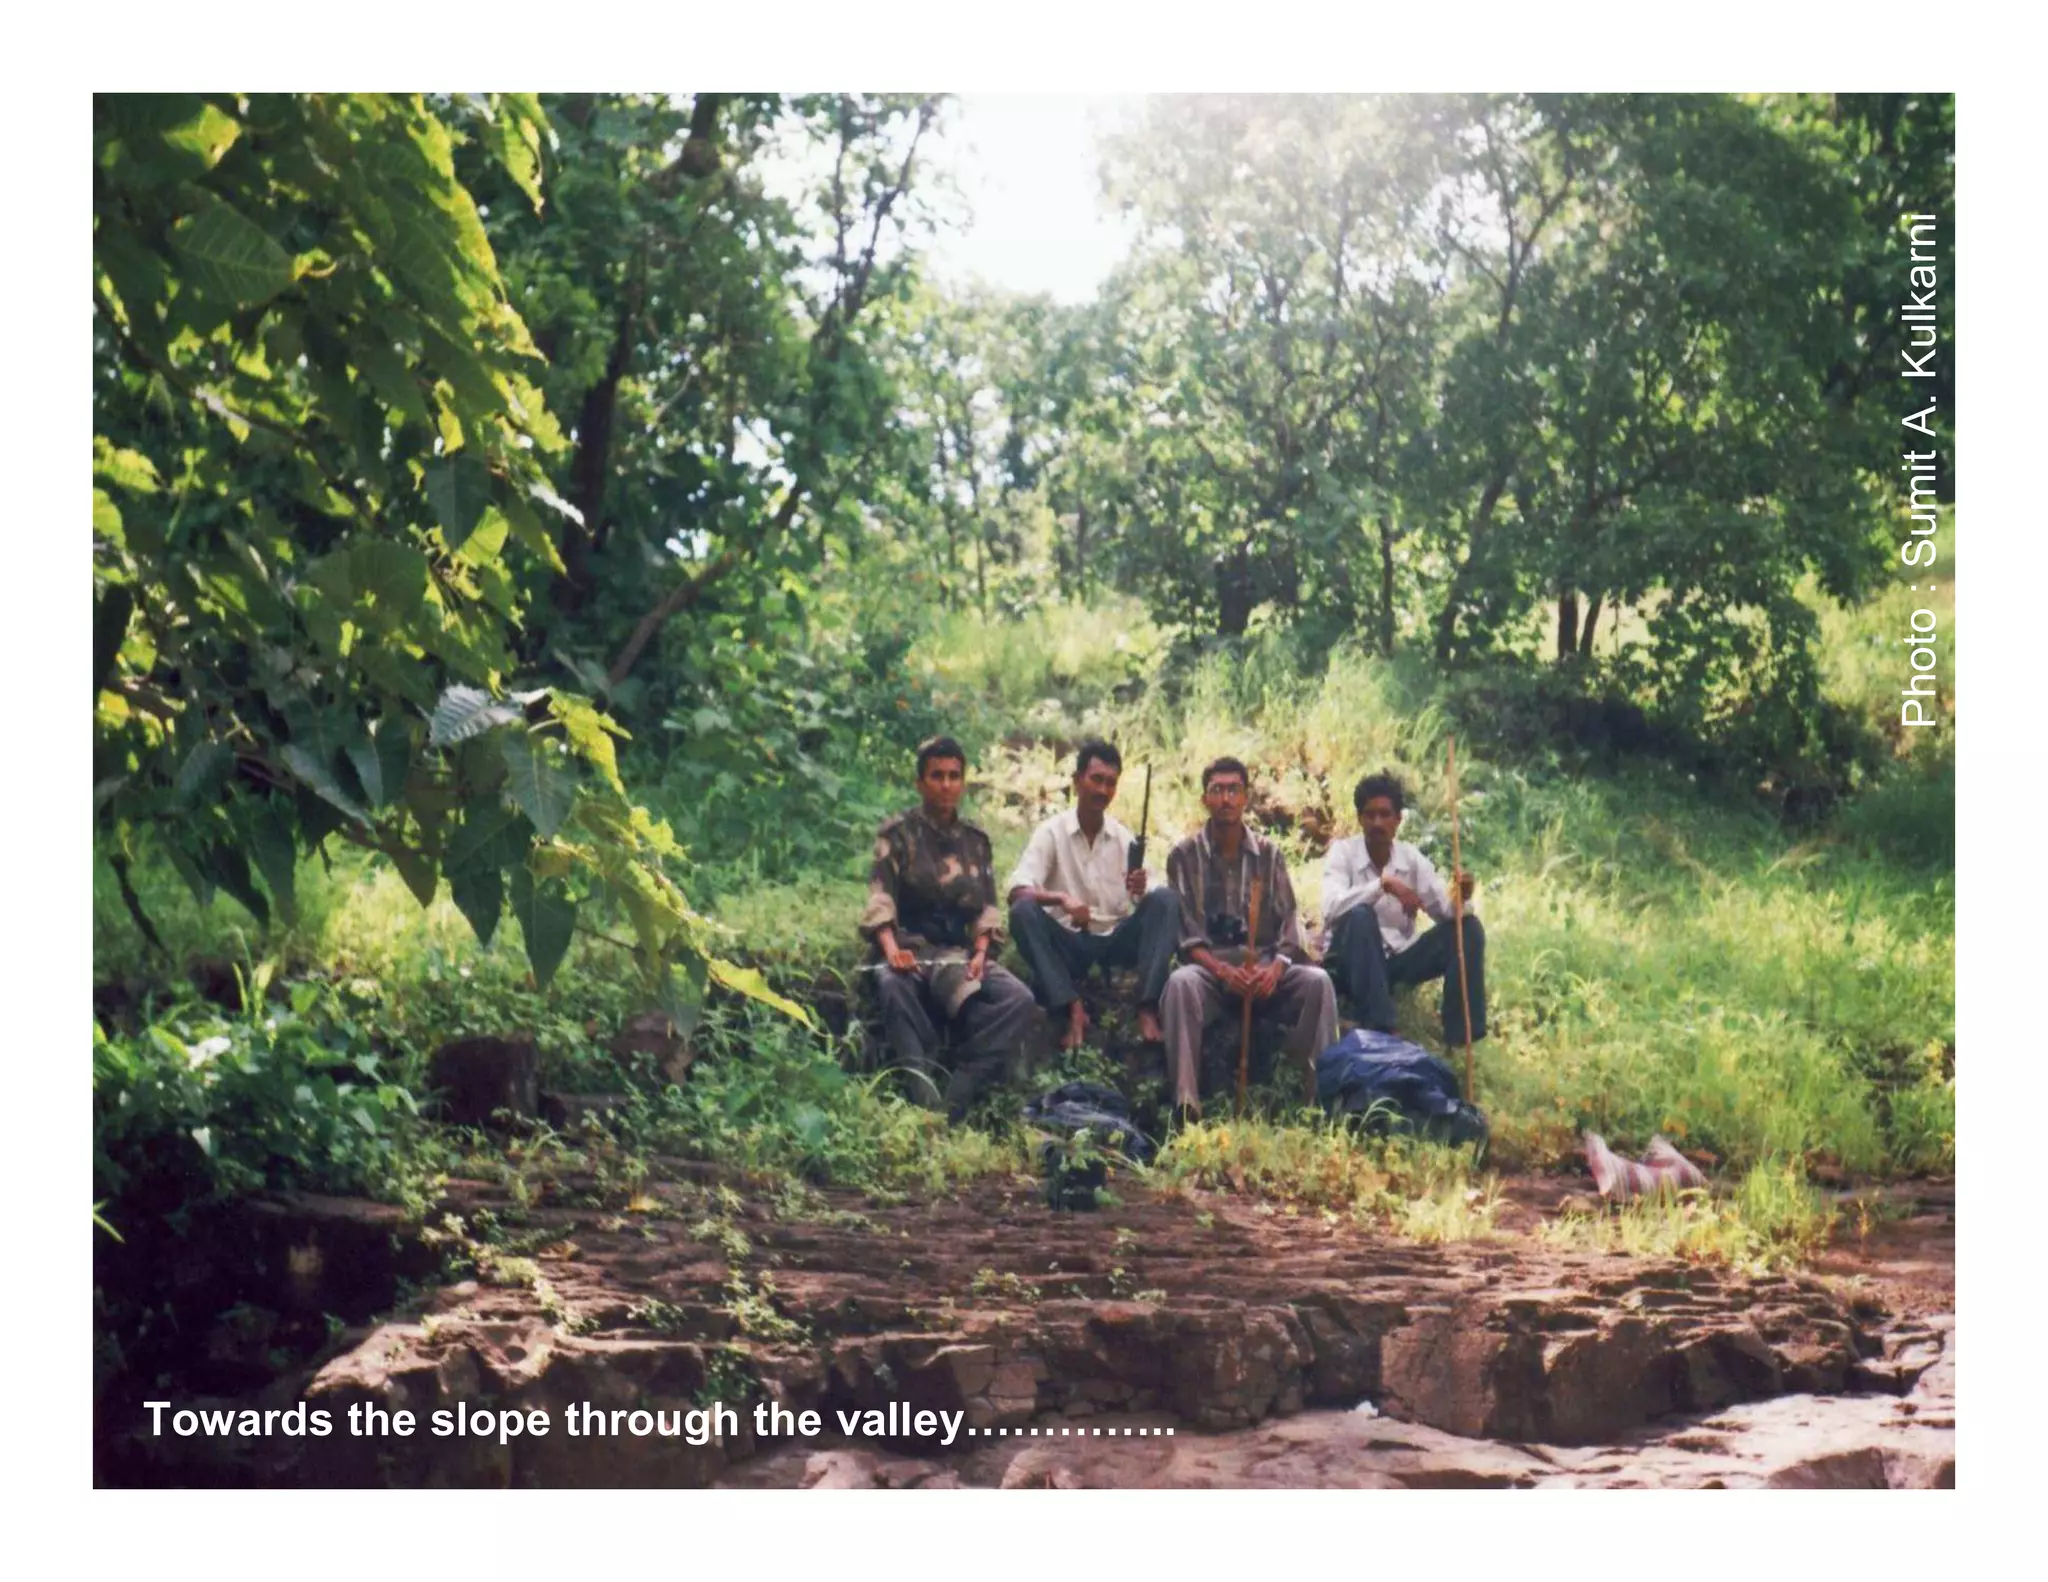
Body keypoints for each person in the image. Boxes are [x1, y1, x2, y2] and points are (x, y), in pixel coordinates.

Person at [859, 735, 1040, 1119]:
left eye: (954, 776)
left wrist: (979, 954)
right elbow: (881, 900)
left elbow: (987, 909)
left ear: (963, 781)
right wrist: (892, 951)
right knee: (893, 987)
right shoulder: (897, 834)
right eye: (936, 776)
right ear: (920, 783)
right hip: (909, 947)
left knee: (1018, 999)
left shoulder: (976, 841)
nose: (946, 785)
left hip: (957, 954)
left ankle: (958, 1092)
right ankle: (922, 1097)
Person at [1160, 757, 1337, 1118]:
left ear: (1246, 799)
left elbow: (1289, 925)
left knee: (1318, 982)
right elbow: (1188, 937)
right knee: (1179, 984)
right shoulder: (1183, 856)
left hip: (1265, 971)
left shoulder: (1269, 855)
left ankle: (1322, 1103)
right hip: (1211, 973)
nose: (1225, 798)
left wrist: (1273, 971)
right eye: (1217, 790)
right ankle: (1185, 1105)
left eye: (1233, 790)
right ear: (1205, 800)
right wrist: (1225, 973)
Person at [1006, 740, 1180, 1049]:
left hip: (1115, 939)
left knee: (1167, 900)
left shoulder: (1123, 837)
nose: (1102, 790)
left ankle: (1147, 1006)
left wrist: (1140, 890)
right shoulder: (1052, 832)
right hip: (1070, 941)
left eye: (1110, 783)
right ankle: (1071, 1005)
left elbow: (1153, 897)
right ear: (1077, 781)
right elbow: (1017, 890)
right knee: (1022, 913)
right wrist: (1061, 899)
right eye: (1096, 779)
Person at [1321, 771, 1486, 1049]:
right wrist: (1384, 885)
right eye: (1369, 815)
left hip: (1394, 964)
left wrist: (1462, 895)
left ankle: (1460, 1034)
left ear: (1398, 820)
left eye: (1385, 815)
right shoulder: (1343, 853)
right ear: (1360, 818)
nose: (1377, 823)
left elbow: (1444, 912)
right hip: (1349, 963)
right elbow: (1330, 909)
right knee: (1361, 915)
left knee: (1467, 929)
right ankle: (1382, 1028)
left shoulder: (1411, 859)